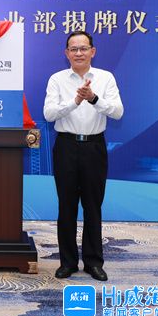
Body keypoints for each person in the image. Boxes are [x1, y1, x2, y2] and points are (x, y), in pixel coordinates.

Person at [43, 30, 123, 281]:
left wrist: (94, 98)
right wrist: (75, 101)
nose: (79, 53)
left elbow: (118, 112)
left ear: (92, 51)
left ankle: (93, 262)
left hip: (94, 147)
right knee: (66, 206)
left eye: (83, 48)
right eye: (74, 49)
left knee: (92, 206)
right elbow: (48, 114)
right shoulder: (57, 79)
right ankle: (67, 262)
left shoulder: (105, 78)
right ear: (66, 53)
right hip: (66, 146)